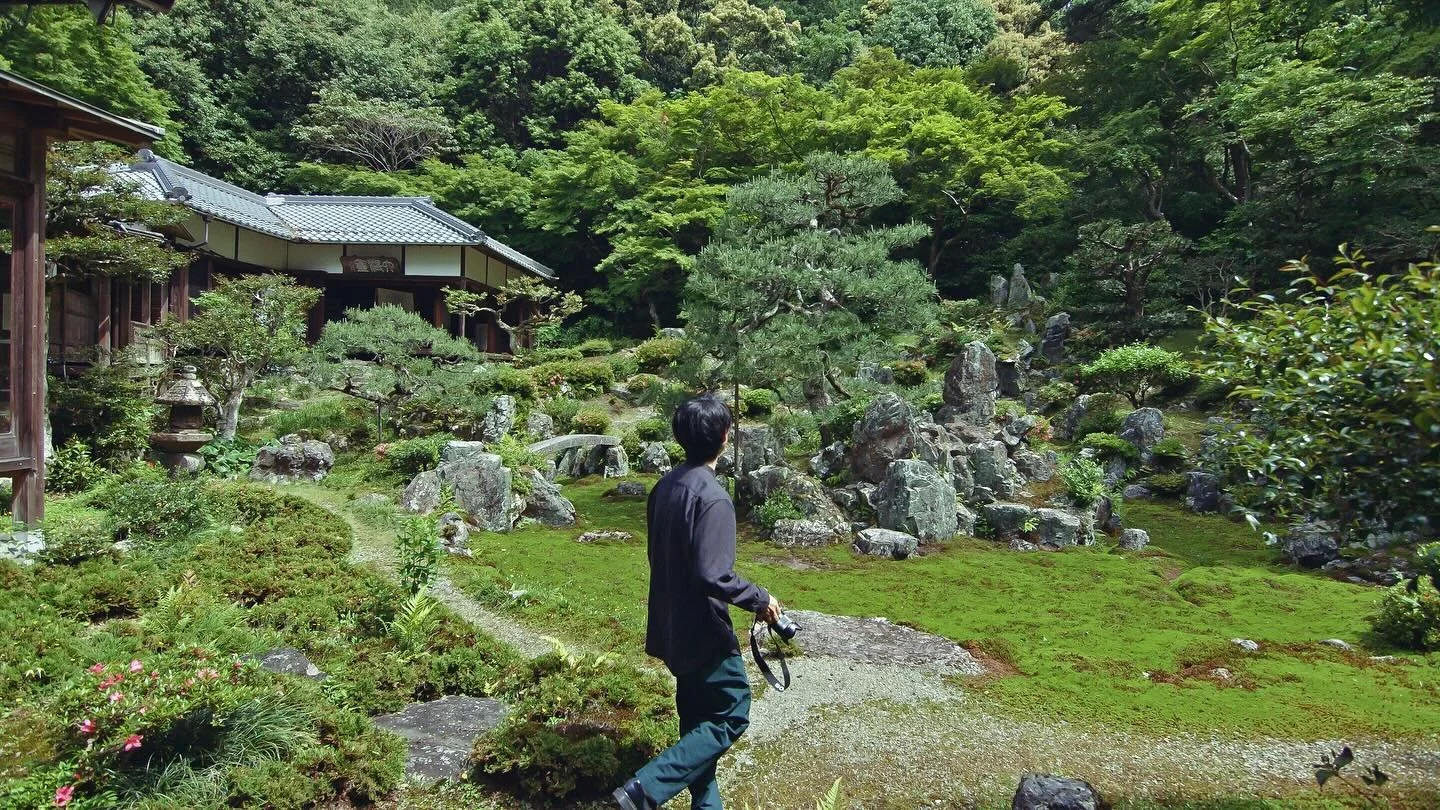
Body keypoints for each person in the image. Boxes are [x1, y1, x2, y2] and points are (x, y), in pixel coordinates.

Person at [613, 394, 782, 810]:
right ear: (725, 437)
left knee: (696, 721)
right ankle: (645, 788)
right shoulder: (712, 498)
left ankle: (706, 805)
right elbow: (714, 574)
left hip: (672, 626)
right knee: (731, 712)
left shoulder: (664, 487)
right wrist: (760, 599)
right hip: (704, 632)